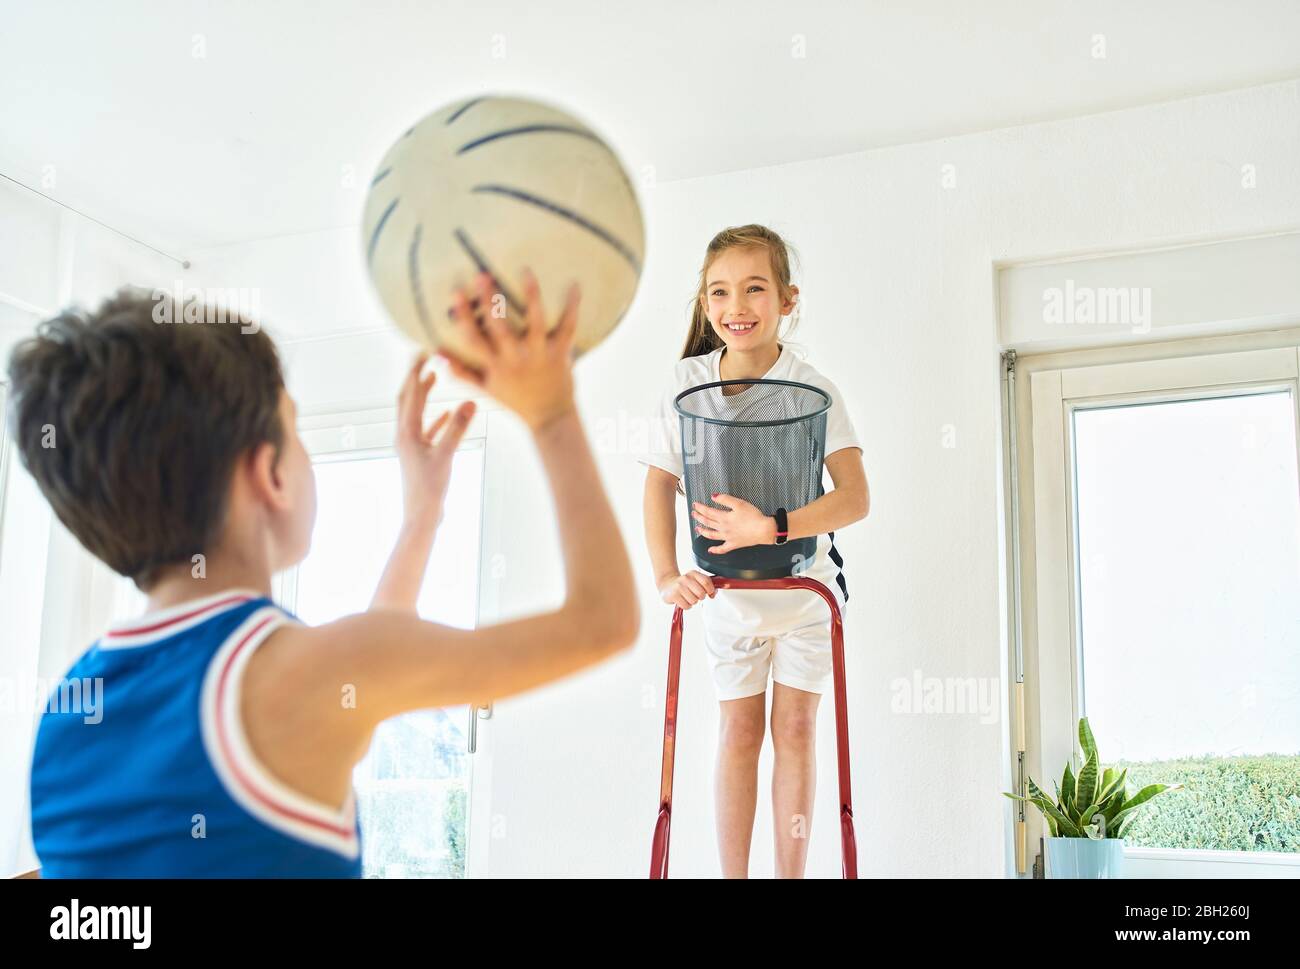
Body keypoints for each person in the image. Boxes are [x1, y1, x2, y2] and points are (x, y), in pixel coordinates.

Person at [9, 270, 638, 876]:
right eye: (296, 430)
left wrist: (422, 517)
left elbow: (362, 673)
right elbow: (603, 619)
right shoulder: (299, 675)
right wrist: (551, 412)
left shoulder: (67, 714)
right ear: (271, 475)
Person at [640, 225, 869, 877]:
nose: (735, 305)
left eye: (754, 288)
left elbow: (854, 497)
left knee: (795, 732)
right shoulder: (686, 383)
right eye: (719, 291)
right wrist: (664, 575)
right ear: (705, 302)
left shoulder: (812, 387)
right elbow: (659, 484)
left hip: (806, 596)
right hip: (730, 599)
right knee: (739, 734)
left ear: (787, 300)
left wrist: (771, 526)